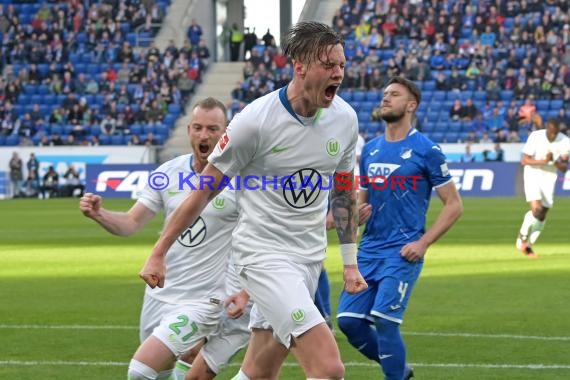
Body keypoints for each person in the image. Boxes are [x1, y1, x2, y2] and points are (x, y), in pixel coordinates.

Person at [140, 21, 367, 380]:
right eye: (329, 65)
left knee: (259, 372)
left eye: (341, 65)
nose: (338, 73)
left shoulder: (345, 119)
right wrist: (158, 252)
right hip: (263, 259)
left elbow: (343, 191)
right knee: (328, 367)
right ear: (301, 67)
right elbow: (204, 189)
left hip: (308, 259)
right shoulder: (255, 121)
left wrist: (350, 264)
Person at [80, 98, 251, 380]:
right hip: (160, 291)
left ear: (226, 132)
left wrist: (245, 290)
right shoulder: (166, 174)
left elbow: (255, 237)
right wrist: (100, 215)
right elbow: (132, 222)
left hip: (205, 298)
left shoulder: (240, 180)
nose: (204, 135)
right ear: (188, 131)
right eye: (198, 127)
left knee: (140, 371)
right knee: (161, 375)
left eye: (212, 128)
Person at [337, 77, 463, 380]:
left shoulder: (427, 150)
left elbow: (454, 205)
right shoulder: (371, 150)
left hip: (403, 250)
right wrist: (357, 216)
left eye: (394, 94)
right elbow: (362, 198)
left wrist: (423, 244)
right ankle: (399, 371)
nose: (386, 98)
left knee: (385, 321)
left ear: (411, 105)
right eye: (384, 94)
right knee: (348, 321)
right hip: (369, 248)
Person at [515, 119, 570, 258]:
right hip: (532, 173)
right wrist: (543, 161)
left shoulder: (565, 142)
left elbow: (564, 168)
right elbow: (524, 160)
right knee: (537, 209)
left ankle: (529, 242)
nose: (553, 136)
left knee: (541, 215)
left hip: (549, 177)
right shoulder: (535, 136)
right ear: (547, 129)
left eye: (555, 133)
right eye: (551, 133)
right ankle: (523, 239)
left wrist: (554, 161)